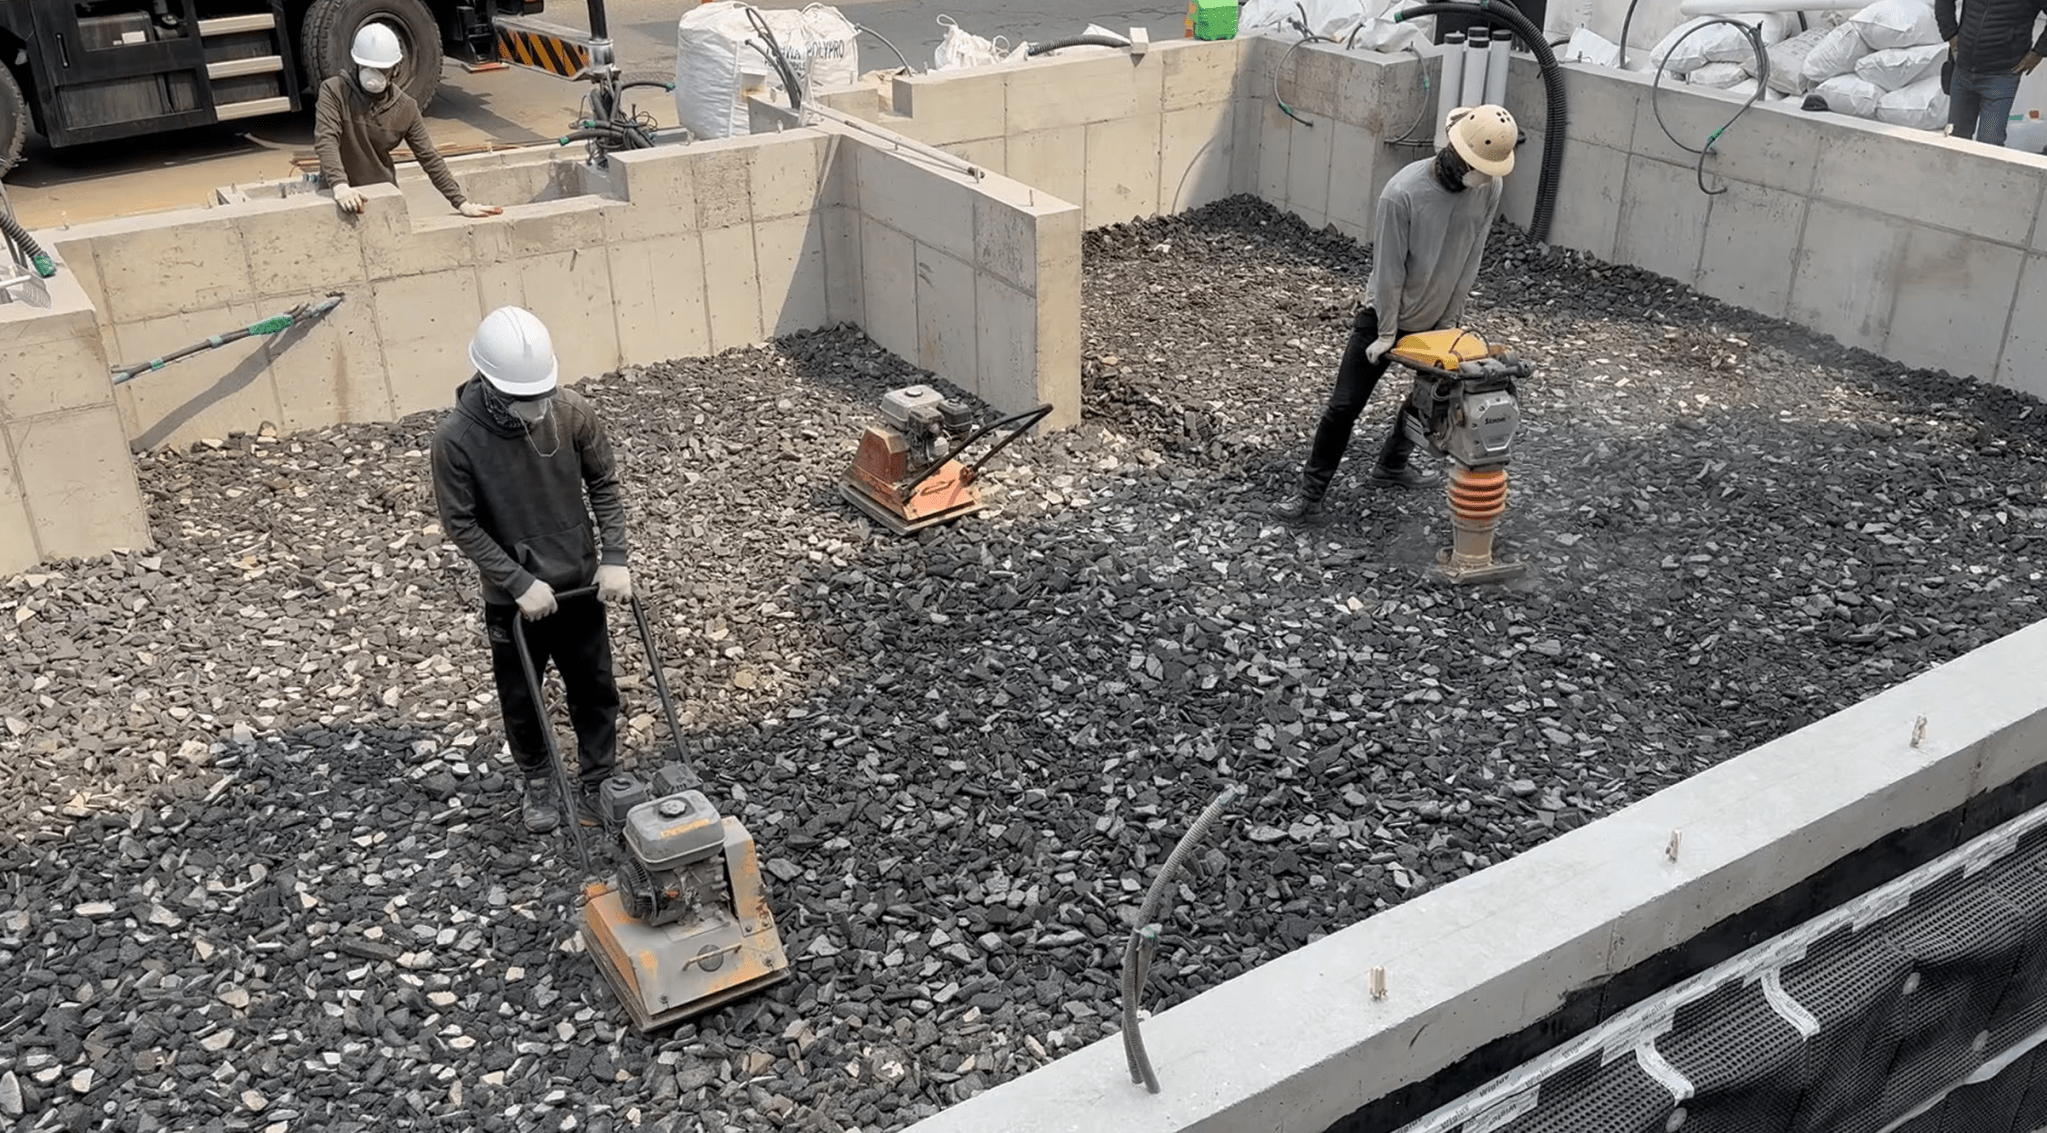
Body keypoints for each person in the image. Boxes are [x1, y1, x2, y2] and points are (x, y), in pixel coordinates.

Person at [430, 306, 633, 833]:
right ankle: (538, 777)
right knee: (521, 694)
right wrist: (517, 581)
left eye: (541, 393)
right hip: (515, 599)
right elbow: (461, 523)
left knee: (594, 684)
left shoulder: (571, 413)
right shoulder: (455, 440)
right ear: (491, 383)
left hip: (581, 582)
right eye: (524, 399)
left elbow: (605, 485)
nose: (536, 407)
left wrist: (614, 558)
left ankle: (599, 778)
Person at [1272, 104, 1518, 524]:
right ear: (1453, 152)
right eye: (1474, 168)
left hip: (1440, 315)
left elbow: (1471, 256)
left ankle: (1391, 465)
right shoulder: (1402, 193)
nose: (1479, 177)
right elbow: (1388, 271)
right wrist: (1386, 333)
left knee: (1431, 398)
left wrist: (1449, 322)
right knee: (1344, 407)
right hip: (1385, 314)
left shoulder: (1488, 187)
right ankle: (1310, 496)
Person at [313, 24, 501, 217]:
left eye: (381, 68)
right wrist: (339, 185)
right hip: (337, 197)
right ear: (356, 63)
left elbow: (428, 157)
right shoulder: (335, 91)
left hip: (381, 196)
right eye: (367, 66)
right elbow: (326, 138)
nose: (373, 73)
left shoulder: (404, 109)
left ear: (395, 69)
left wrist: (461, 203)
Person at [1936, 0, 2047, 146]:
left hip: (2001, 77)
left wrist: (2038, 52)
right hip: (1963, 69)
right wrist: (1950, 33)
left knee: (1990, 144)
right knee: (1955, 140)